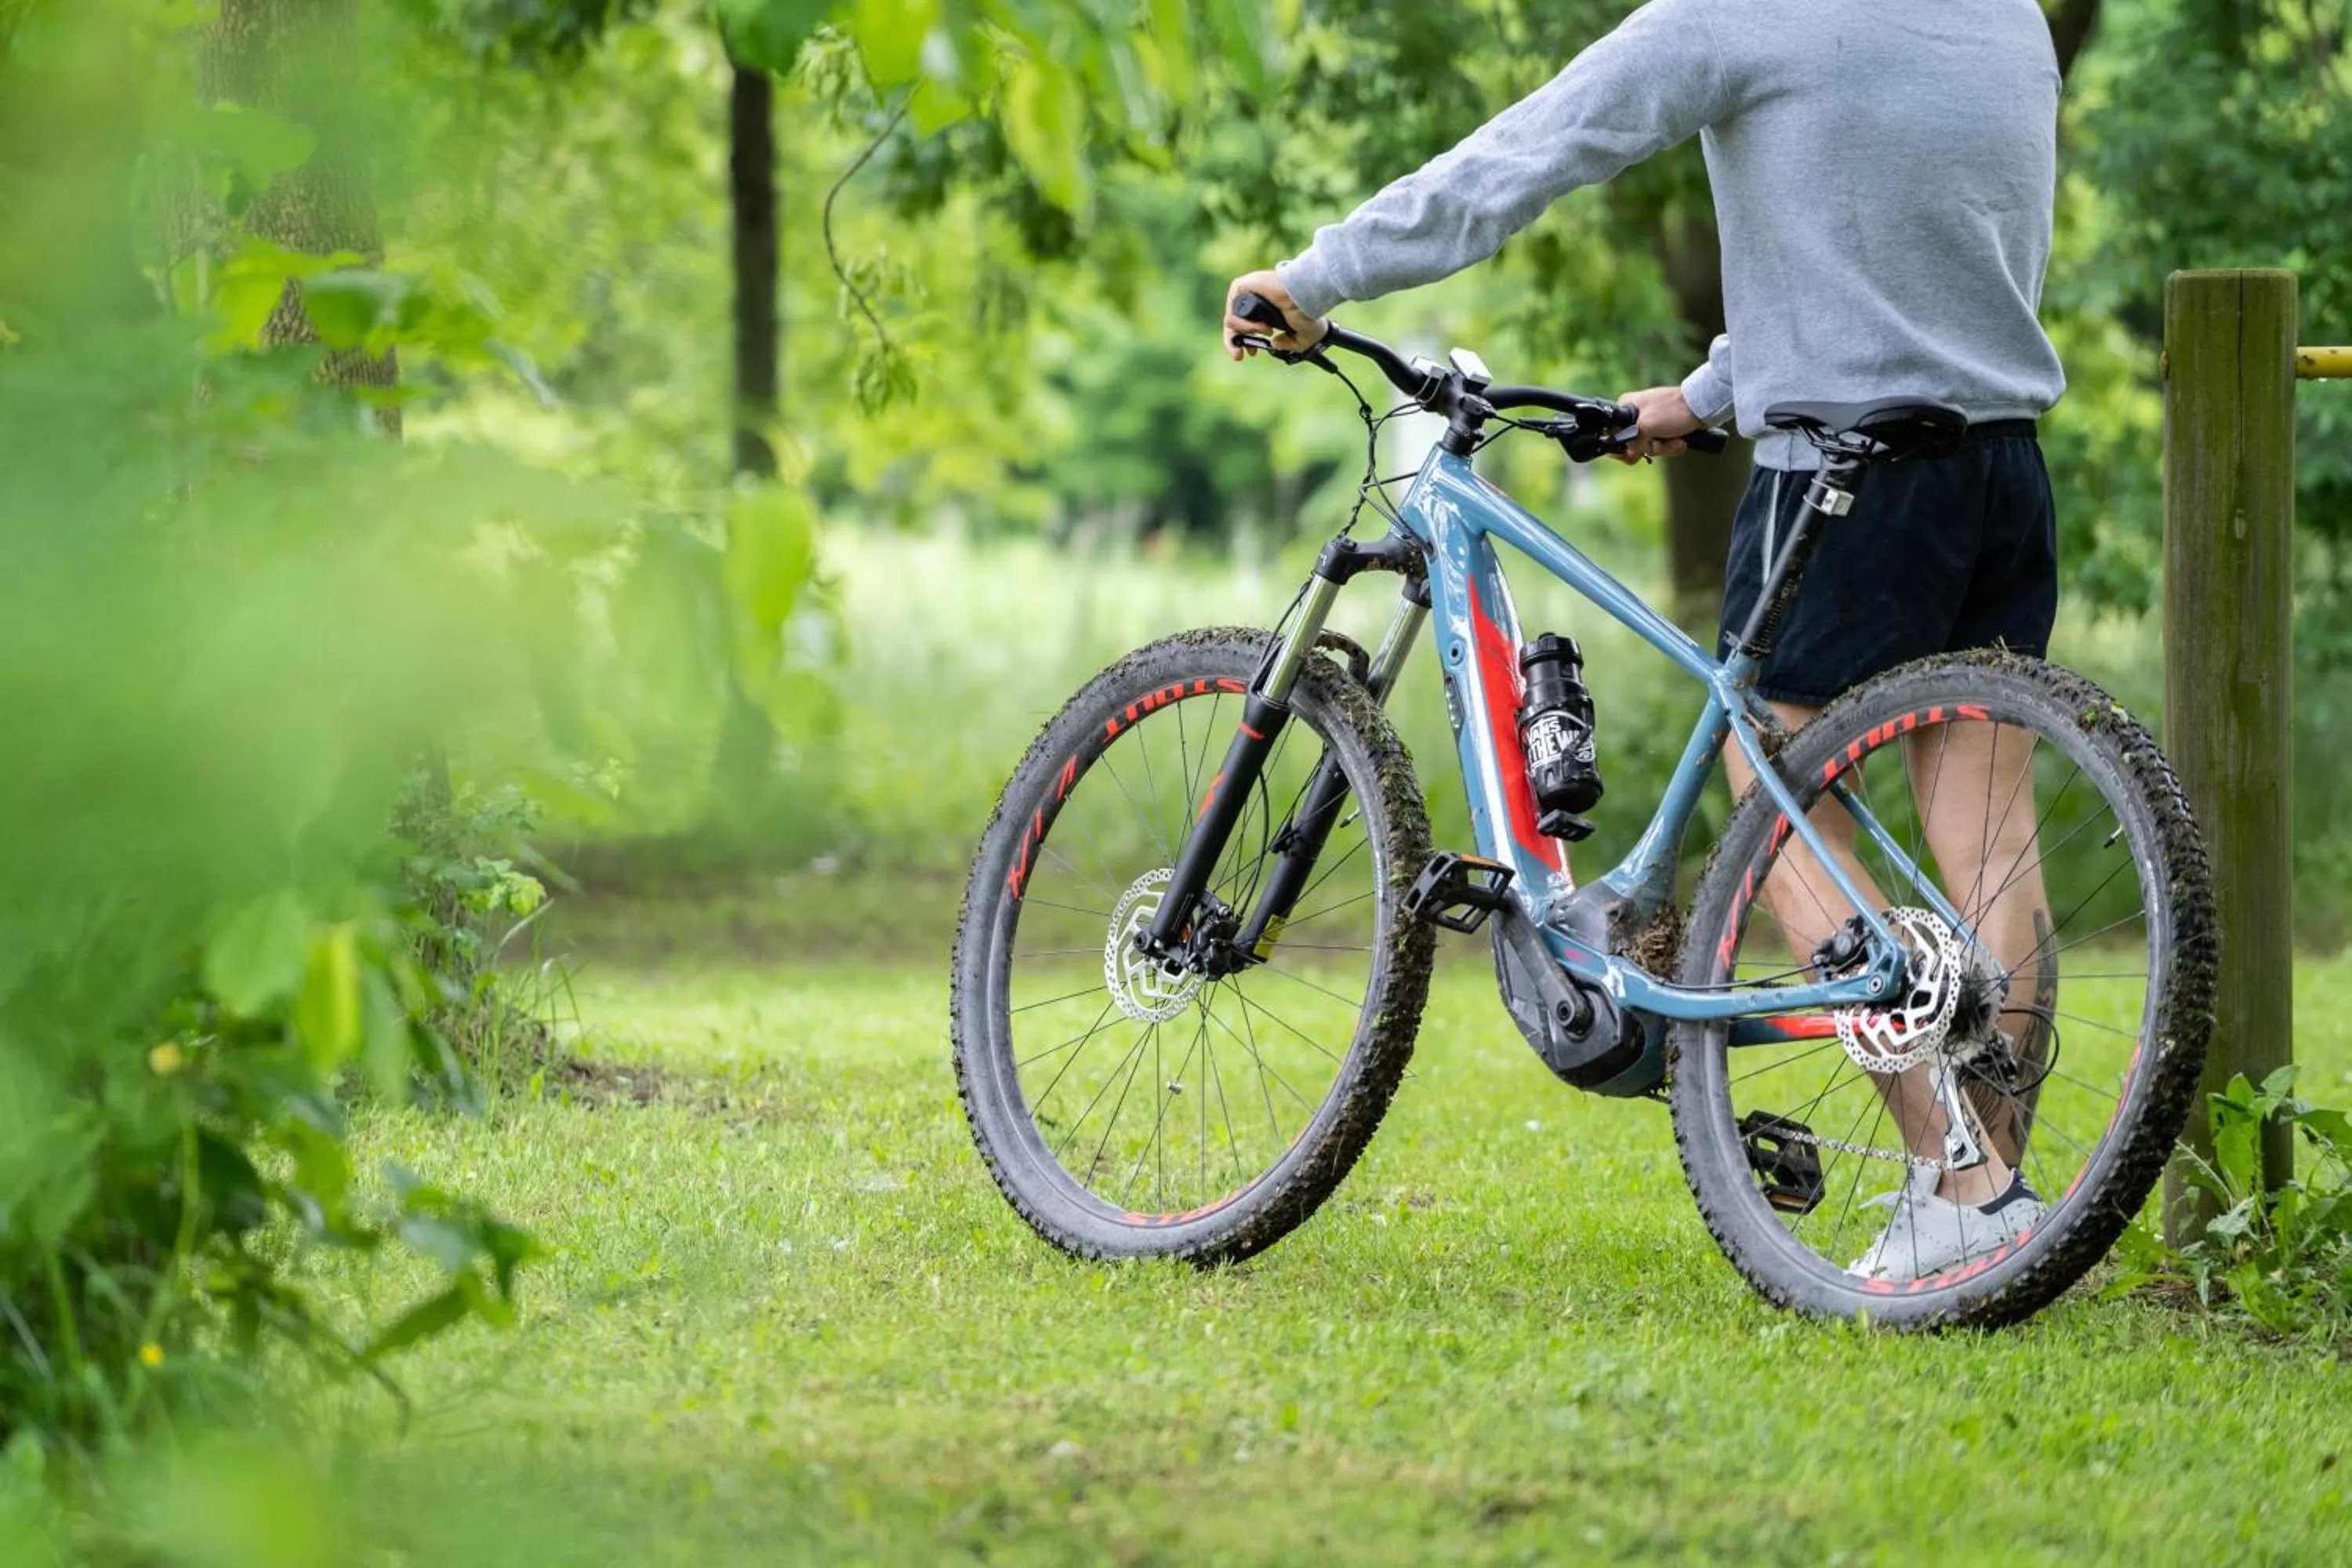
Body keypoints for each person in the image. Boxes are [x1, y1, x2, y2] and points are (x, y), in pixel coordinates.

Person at [1221, 0, 2067, 1281]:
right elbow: (1915, 239)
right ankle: (1995, 1208)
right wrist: (1714, 394)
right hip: (1995, 459)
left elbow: (1530, 150)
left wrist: (1316, 279)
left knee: (1771, 788)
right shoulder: (2001, 16)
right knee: (1993, 846)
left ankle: (1958, 1180)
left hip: (1836, 480)